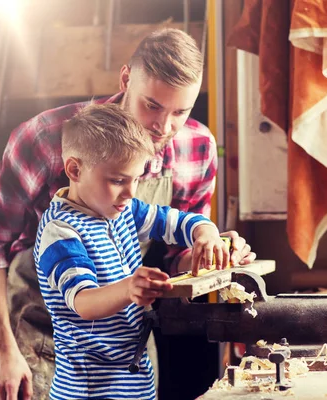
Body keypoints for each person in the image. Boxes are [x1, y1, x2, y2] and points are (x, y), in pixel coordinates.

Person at [0, 28, 256, 400]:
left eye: (180, 111)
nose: (163, 128)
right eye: (151, 105)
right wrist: (4, 351)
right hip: (46, 344)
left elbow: (177, 257)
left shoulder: (196, 147)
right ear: (125, 79)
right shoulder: (46, 138)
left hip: (127, 350)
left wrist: (213, 252)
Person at [35, 103, 229, 399]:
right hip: (91, 389)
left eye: (136, 179)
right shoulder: (61, 231)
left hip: (133, 378)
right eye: (117, 181)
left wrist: (206, 233)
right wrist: (129, 289)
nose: (130, 192)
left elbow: (177, 222)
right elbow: (84, 302)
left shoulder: (122, 210)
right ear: (75, 169)